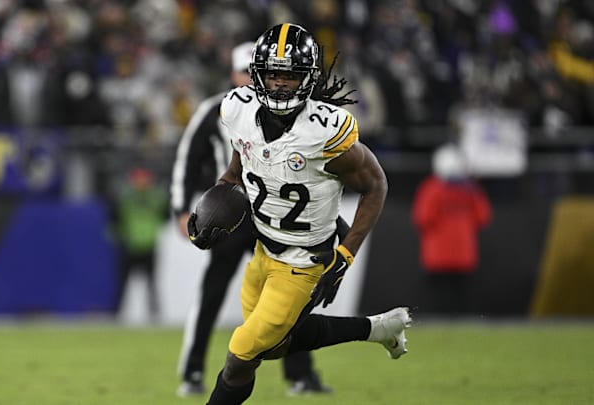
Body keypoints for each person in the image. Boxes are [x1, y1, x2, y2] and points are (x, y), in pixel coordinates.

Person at [185, 23, 412, 404]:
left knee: (240, 354)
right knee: (272, 347)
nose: (279, 84)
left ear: (307, 78)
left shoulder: (323, 132)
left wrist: (345, 254)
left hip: (303, 263)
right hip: (262, 251)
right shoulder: (239, 110)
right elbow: (237, 166)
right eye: (273, 74)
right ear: (257, 75)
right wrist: (218, 201)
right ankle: (377, 329)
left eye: (289, 76)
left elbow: (376, 186)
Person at [171, 41, 331, 397]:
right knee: (212, 293)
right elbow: (188, 157)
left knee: (289, 297)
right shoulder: (219, 108)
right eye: (243, 71)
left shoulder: (292, 111)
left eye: (255, 72)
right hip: (229, 214)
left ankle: (301, 375)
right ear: (232, 73)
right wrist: (181, 207)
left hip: (273, 214)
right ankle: (193, 370)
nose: (250, 78)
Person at [412, 143, 491, 315]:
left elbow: (423, 218)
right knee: (462, 299)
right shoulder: (471, 190)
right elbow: (483, 217)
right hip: (464, 254)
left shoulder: (431, 188)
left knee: (439, 301)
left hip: (437, 255)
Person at [110, 167, 168, 321]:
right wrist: (121, 235)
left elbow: (165, 217)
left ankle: (154, 316)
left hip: (149, 244)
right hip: (130, 245)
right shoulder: (125, 198)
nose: (141, 182)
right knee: (123, 284)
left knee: (152, 284)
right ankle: (117, 314)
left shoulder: (156, 197)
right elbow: (115, 218)